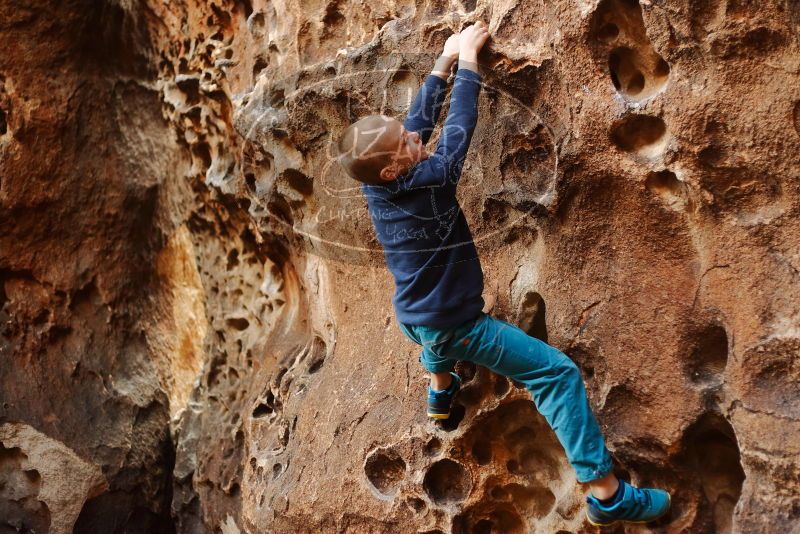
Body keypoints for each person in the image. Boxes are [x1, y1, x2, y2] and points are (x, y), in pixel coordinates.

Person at [334, 21, 671, 527]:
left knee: (434, 341)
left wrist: (442, 64)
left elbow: (414, 129)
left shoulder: (378, 185)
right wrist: (468, 61)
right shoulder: (430, 181)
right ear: (393, 168)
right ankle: (607, 493)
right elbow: (457, 131)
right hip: (455, 323)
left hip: (415, 316)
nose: (411, 135)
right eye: (403, 142)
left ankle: (441, 392)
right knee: (557, 374)